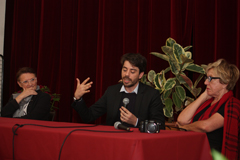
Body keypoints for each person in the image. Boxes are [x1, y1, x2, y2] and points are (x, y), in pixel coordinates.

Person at [72, 53, 165, 129]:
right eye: (124, 70)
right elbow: (89, 116)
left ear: (140, 75)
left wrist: (136, 122)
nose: (127, 74)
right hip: (113, 142)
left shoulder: (151, 94)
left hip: (137, 143)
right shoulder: (112, 91)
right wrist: (78, 98)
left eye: (132, 72)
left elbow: (160, 126)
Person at [177, 59, 240, 159]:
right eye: (206, 78)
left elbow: (206, 126)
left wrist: (186, 128)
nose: (206, 82)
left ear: (225, 82)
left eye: (210, 78)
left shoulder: (232, 105)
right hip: (196, 152)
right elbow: (182, 120)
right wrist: (203, 96)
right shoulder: (207, 103)